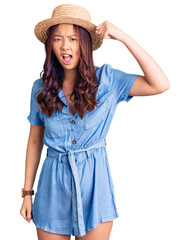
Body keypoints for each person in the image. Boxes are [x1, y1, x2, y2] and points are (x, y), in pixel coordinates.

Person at [20, 3, 170, 240]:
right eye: (58, 39)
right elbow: (35, 141)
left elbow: (160, 84)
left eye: (73, 39)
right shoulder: (41, 88)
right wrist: (27, 192)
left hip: (95, 183)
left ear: (85, 44)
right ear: (50, 45)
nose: (65, 46)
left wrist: (122, 37)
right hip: (52, 185)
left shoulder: (108, 80)